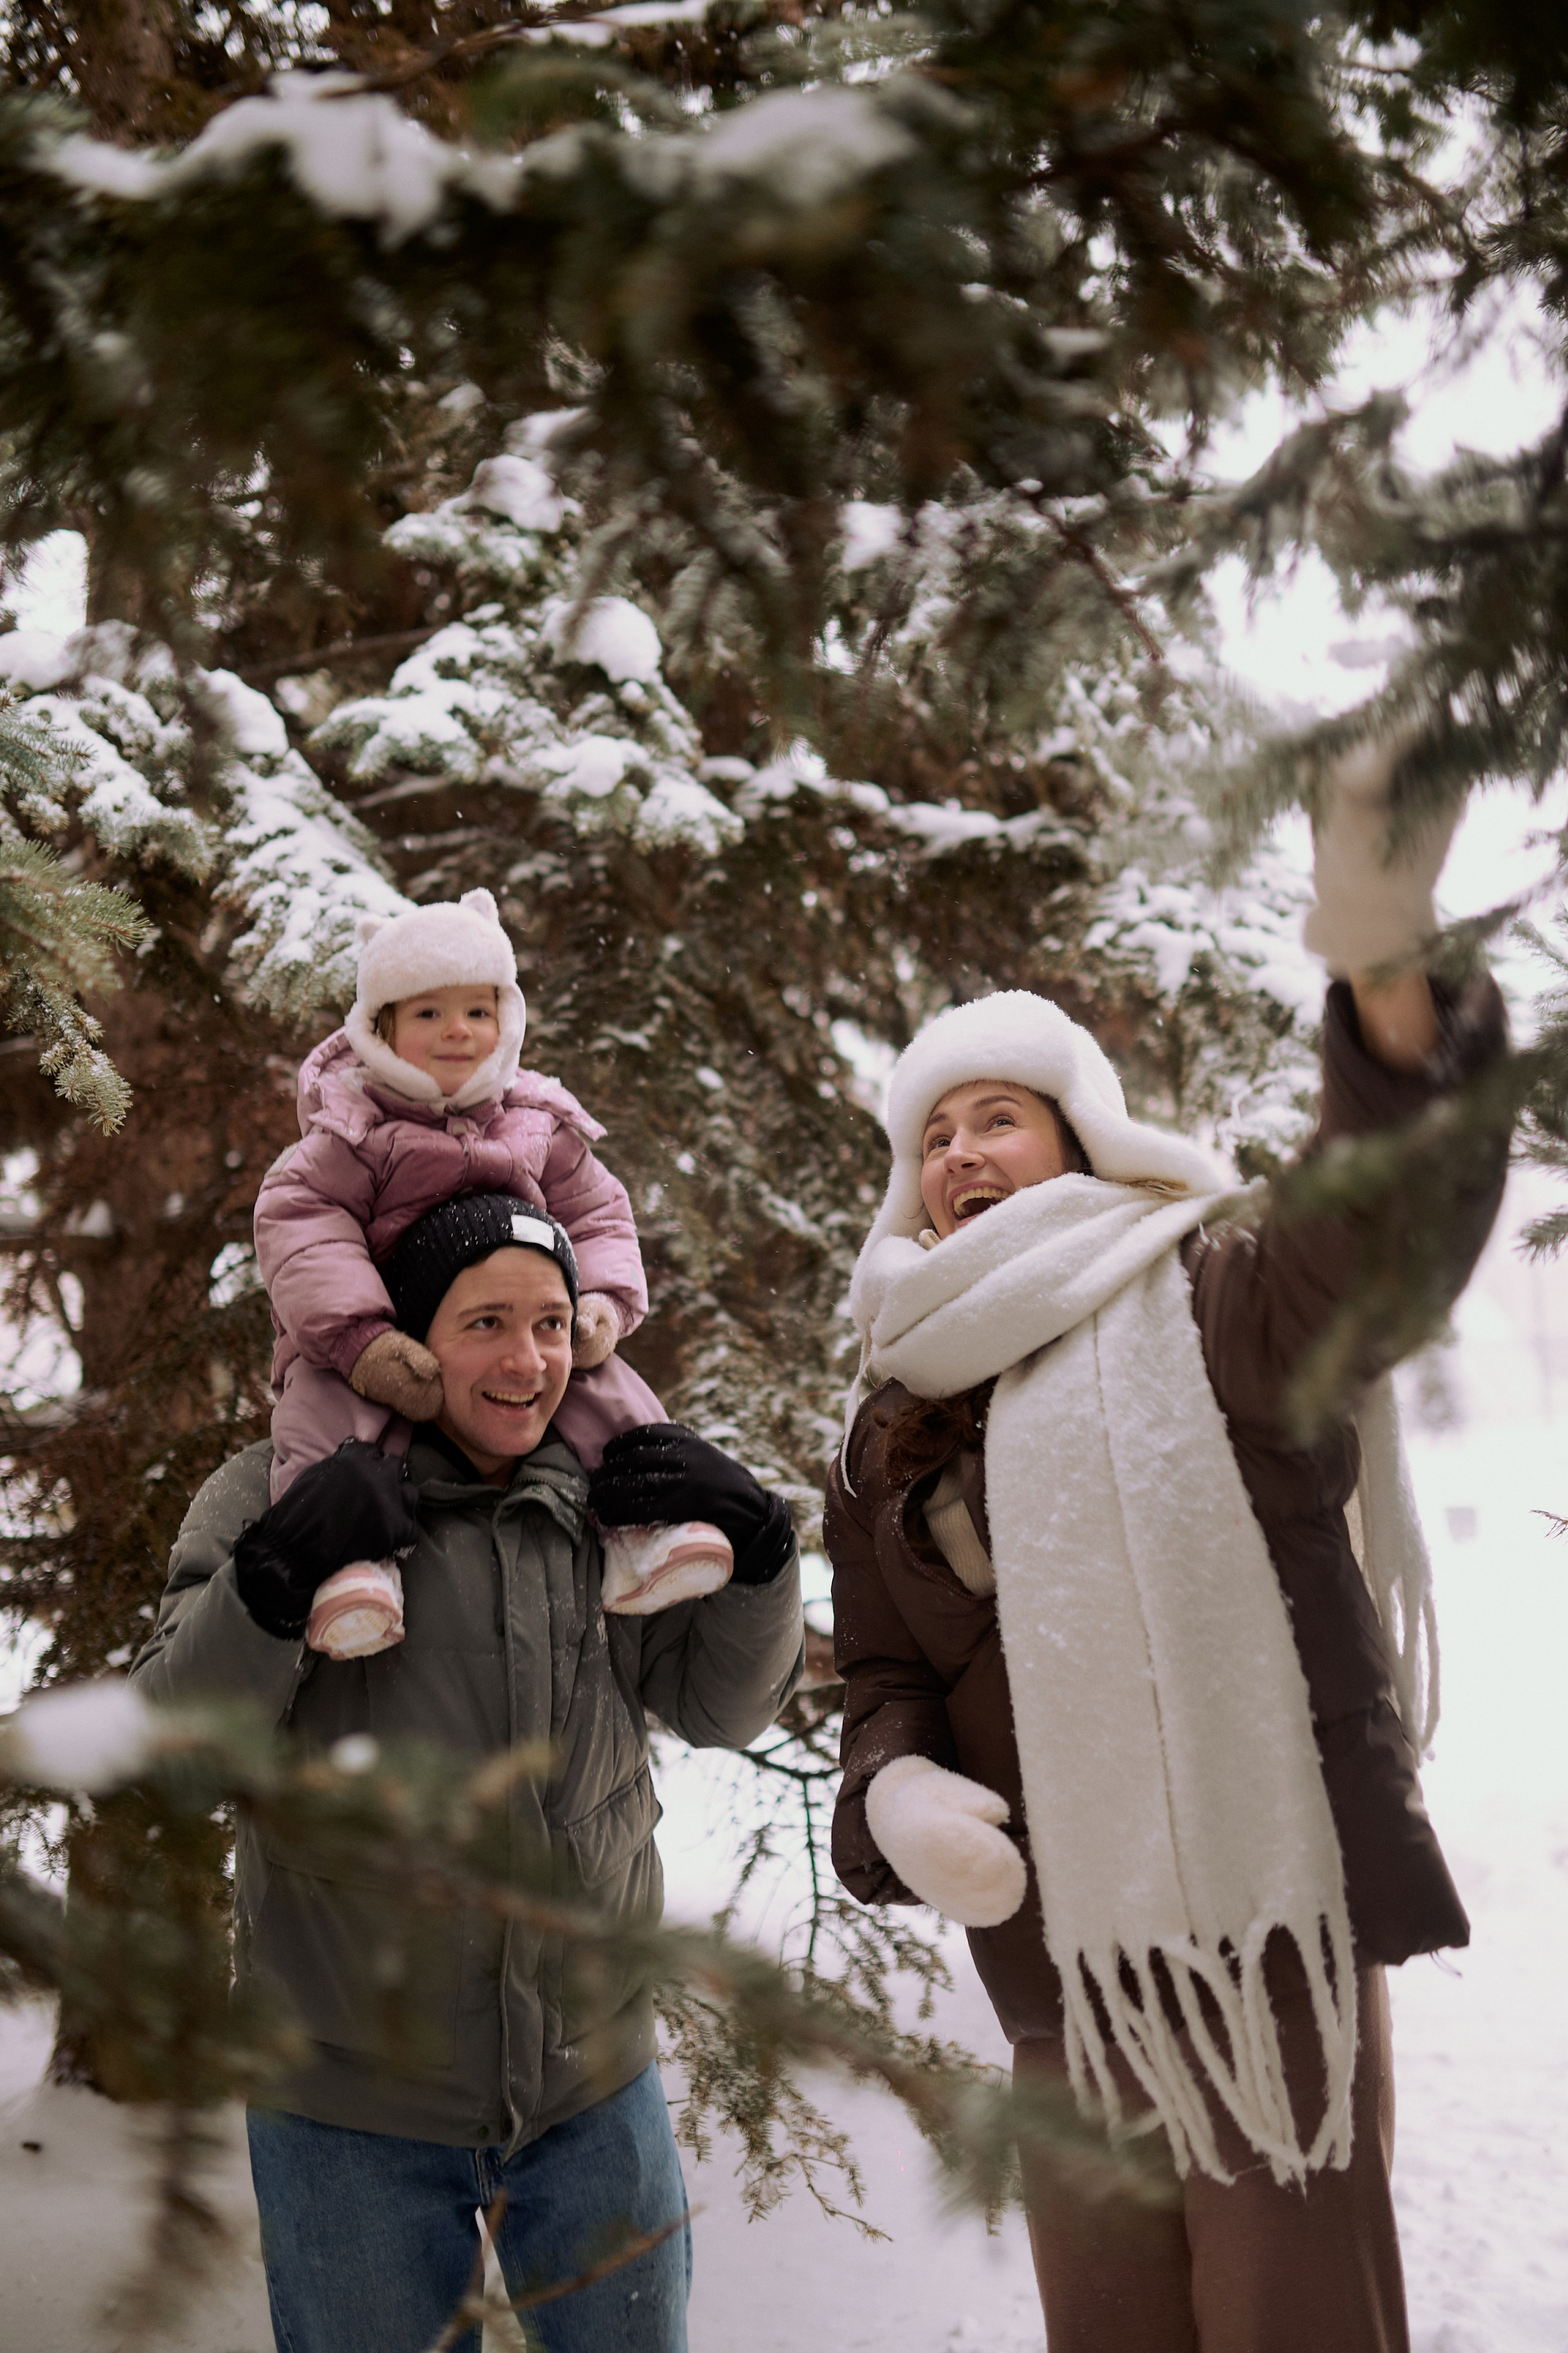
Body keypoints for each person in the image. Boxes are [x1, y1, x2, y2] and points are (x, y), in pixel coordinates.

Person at [824, 742, 1509, 2351]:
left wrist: (1385, 972)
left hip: (1257, 1961)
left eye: (999, 1120)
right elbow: (881, 1669)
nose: (961, 1154)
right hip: (1058, 1983)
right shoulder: (895, 1407)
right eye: (935, 1138)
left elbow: (1376, 1247)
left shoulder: (1212, 1303)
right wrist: (895, 1790)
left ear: (1079, 1144)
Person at [131, 1190, 804, 2353]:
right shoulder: (278, 1489)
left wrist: (764, 1555)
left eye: (552, 1322)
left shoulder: (603, 1501)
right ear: (407, 1339)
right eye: (486, 1321)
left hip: (593, 2088)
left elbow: (717, 1706)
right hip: (349, 2109)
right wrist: (274, 1579)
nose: (528, 1359)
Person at [252, 887, 731, 1657]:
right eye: (429, 1014)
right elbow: (303, 1228)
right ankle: (346, 1564)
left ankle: (646, 1524)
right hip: (378, 1337)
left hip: (512, 1312)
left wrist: (600, 1302)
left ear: (504, 1019)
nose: (457, 1032)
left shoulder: (534, 1119)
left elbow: (599, 1213)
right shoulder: (355, 1128)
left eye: (477, 1012)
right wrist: (361, 1339)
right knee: (325, 1414)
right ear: (380, 1027)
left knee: (601, 1383)